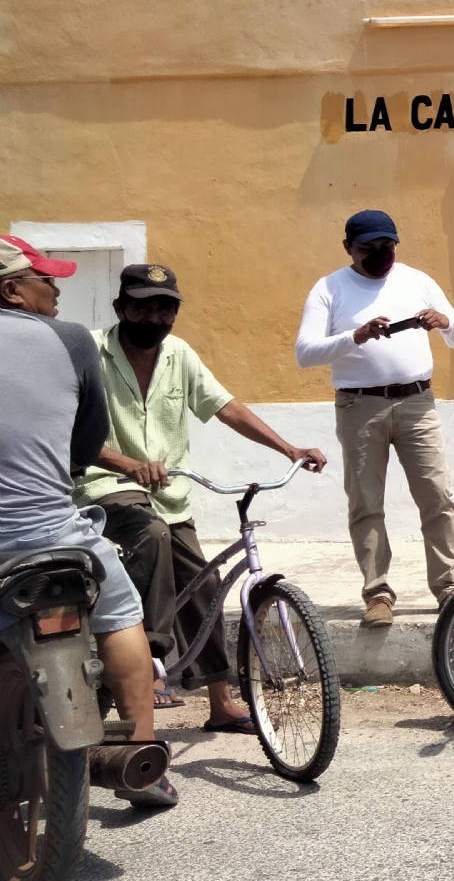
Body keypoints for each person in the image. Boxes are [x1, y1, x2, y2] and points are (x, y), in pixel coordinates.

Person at [75, 265, 327, 731]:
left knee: (206, 587)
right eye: (142, 306)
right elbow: (69, 431)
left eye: (165, 308)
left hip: (170, 494)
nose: (154, 318)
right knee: (150, 538)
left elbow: (226, 407)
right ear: (119, 308)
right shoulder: (90, 351)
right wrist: (127, 464)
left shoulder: (179, 354)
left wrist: (288, 448)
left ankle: (220, 702)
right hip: (107, 488)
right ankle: (146, 663)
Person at [0, 236, 172, 808]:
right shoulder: (70, 340)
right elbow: (87, 441)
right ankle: (142, 753)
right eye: (45, 280)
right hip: (57, 535)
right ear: (12, 291)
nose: (56, 289)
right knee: (121, 610)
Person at [294, 210, 454, 628]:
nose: (378, 255)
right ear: (347, 248)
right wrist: (354, 336)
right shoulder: (329, 289)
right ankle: (377, 593)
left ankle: (448, 586)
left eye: (386, 247)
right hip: (360, 406)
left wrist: (445, 322)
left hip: (417, 402)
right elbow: (304, 353)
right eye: (367, 249)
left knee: (436, 495)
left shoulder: (416, 280)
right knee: (365, 503)